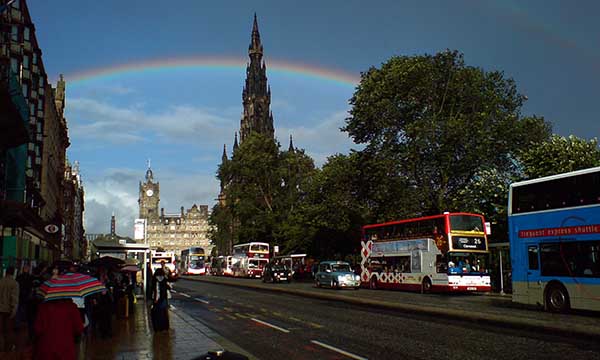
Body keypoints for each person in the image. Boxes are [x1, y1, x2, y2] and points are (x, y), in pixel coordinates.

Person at [0, 266, 19, 352]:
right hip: (8, 310)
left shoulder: (0, 281)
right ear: (13, 273)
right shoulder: (14, 283)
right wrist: (14, 310)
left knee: (0, 330)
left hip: (0, 309)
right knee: (8, 331)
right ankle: (8, 348)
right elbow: (14, 298)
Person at [16, 264, 34, 338]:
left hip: (20, 295)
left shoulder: (19, 277)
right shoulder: (30, 277)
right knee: (24, 309)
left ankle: (18, 324)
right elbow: (31, 287)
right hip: (25, 296)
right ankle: (23, 322)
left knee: (19, 310)